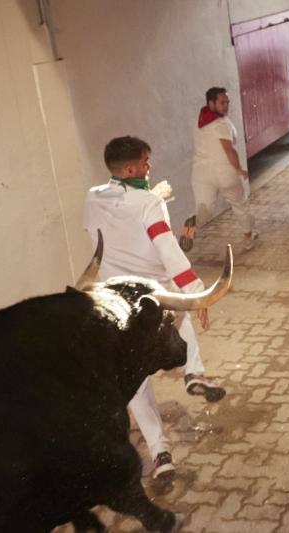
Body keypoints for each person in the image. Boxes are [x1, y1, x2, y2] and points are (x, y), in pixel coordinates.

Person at [83, 136, 227, 481]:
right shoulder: (148, 204)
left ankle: (161, 454)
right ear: (132, 168)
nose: (149, 168)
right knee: (180, 304)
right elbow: (167, 248)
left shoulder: (92, 197)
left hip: (114, 303)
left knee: (134, 384)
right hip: (153, 298)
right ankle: (193, 373)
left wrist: (151, 197)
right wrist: (198, 292)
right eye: (146, 163)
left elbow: (112, 217)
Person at [179, 87, 256, 253]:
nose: (226, 106)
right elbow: (229, 150)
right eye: (222, 103)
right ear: (211, 103)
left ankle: (190, 227)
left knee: (203, 208)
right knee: (240, 205)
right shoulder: (221, 124)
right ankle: (249, 238)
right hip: (224, 172)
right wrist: (239, 169)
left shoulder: (198, 120)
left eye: (227, 102)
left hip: (200, 173)